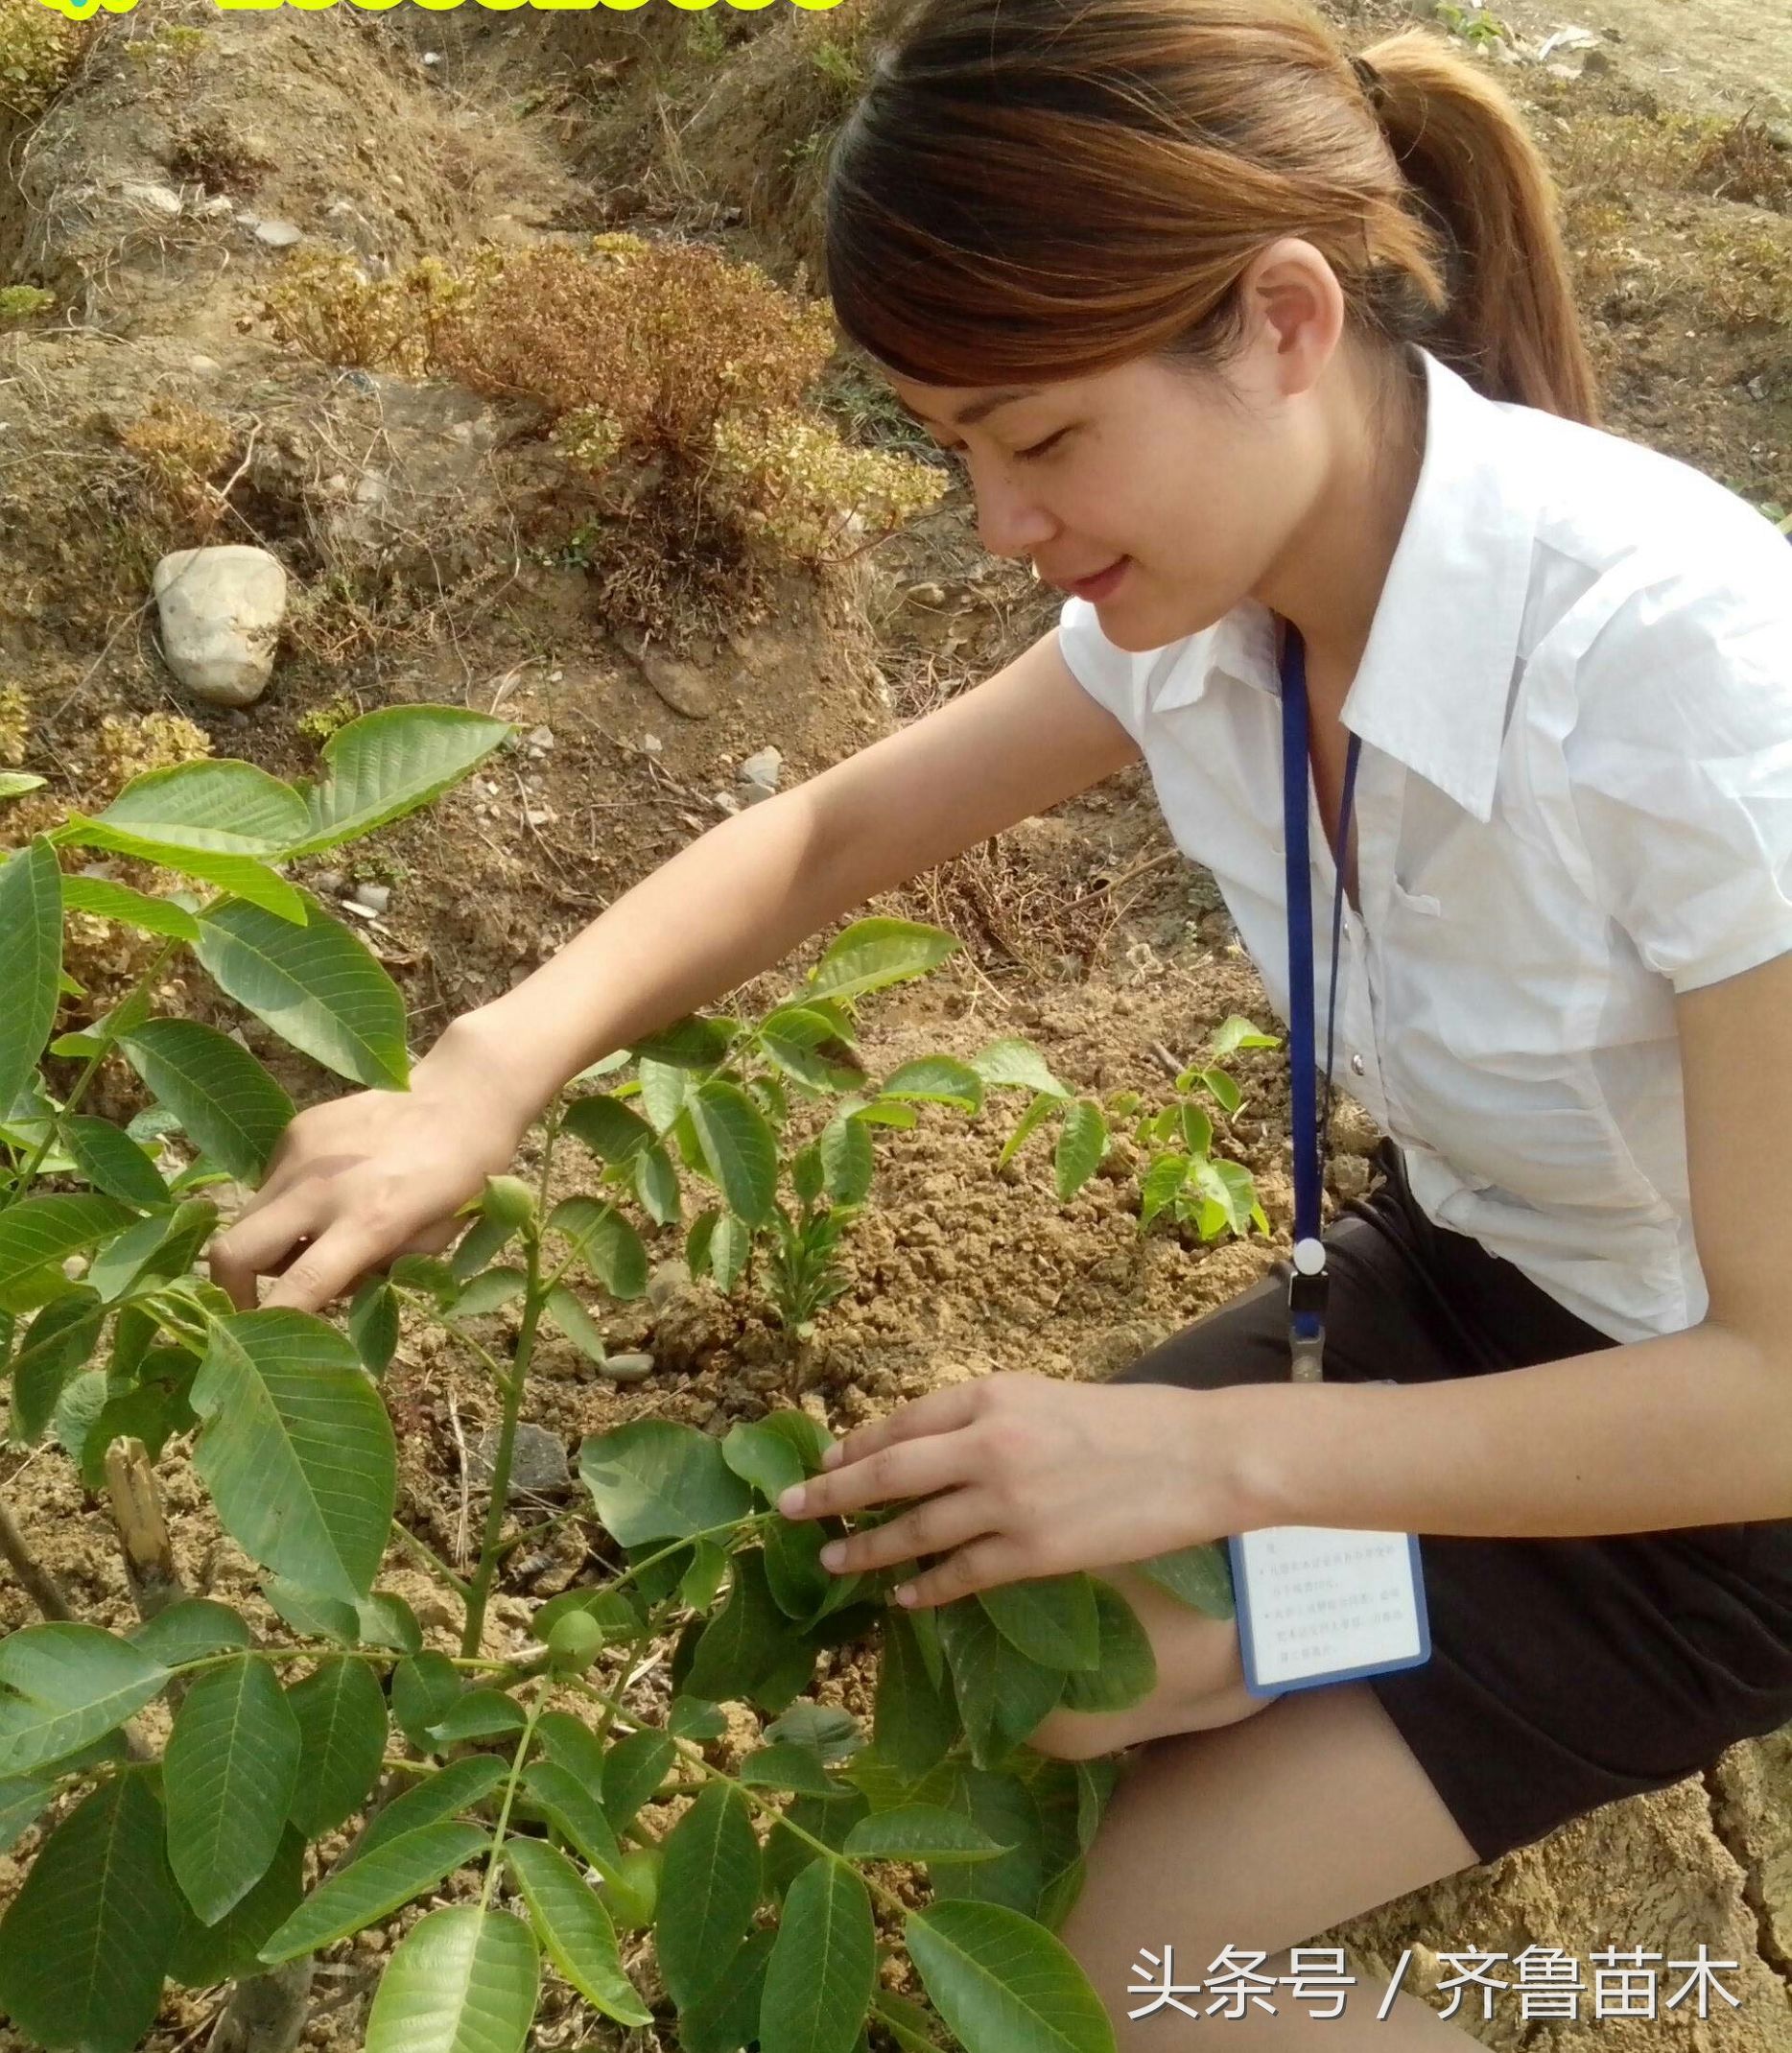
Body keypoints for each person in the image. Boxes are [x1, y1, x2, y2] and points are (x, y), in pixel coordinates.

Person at [207, 0, 1792, 2039]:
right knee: (1010, 1663)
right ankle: (1333, 1641)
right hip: (1455, 1294)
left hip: (1699, 1482)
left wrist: (1219, 1462)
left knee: (1122, 1976)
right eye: (953, 443)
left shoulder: (1681, 671)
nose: (999, 522)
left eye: (1041, 437)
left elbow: (1773, 1389)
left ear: (1287, 319)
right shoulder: (1215, 600)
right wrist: (488, 1067)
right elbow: (831, 828)